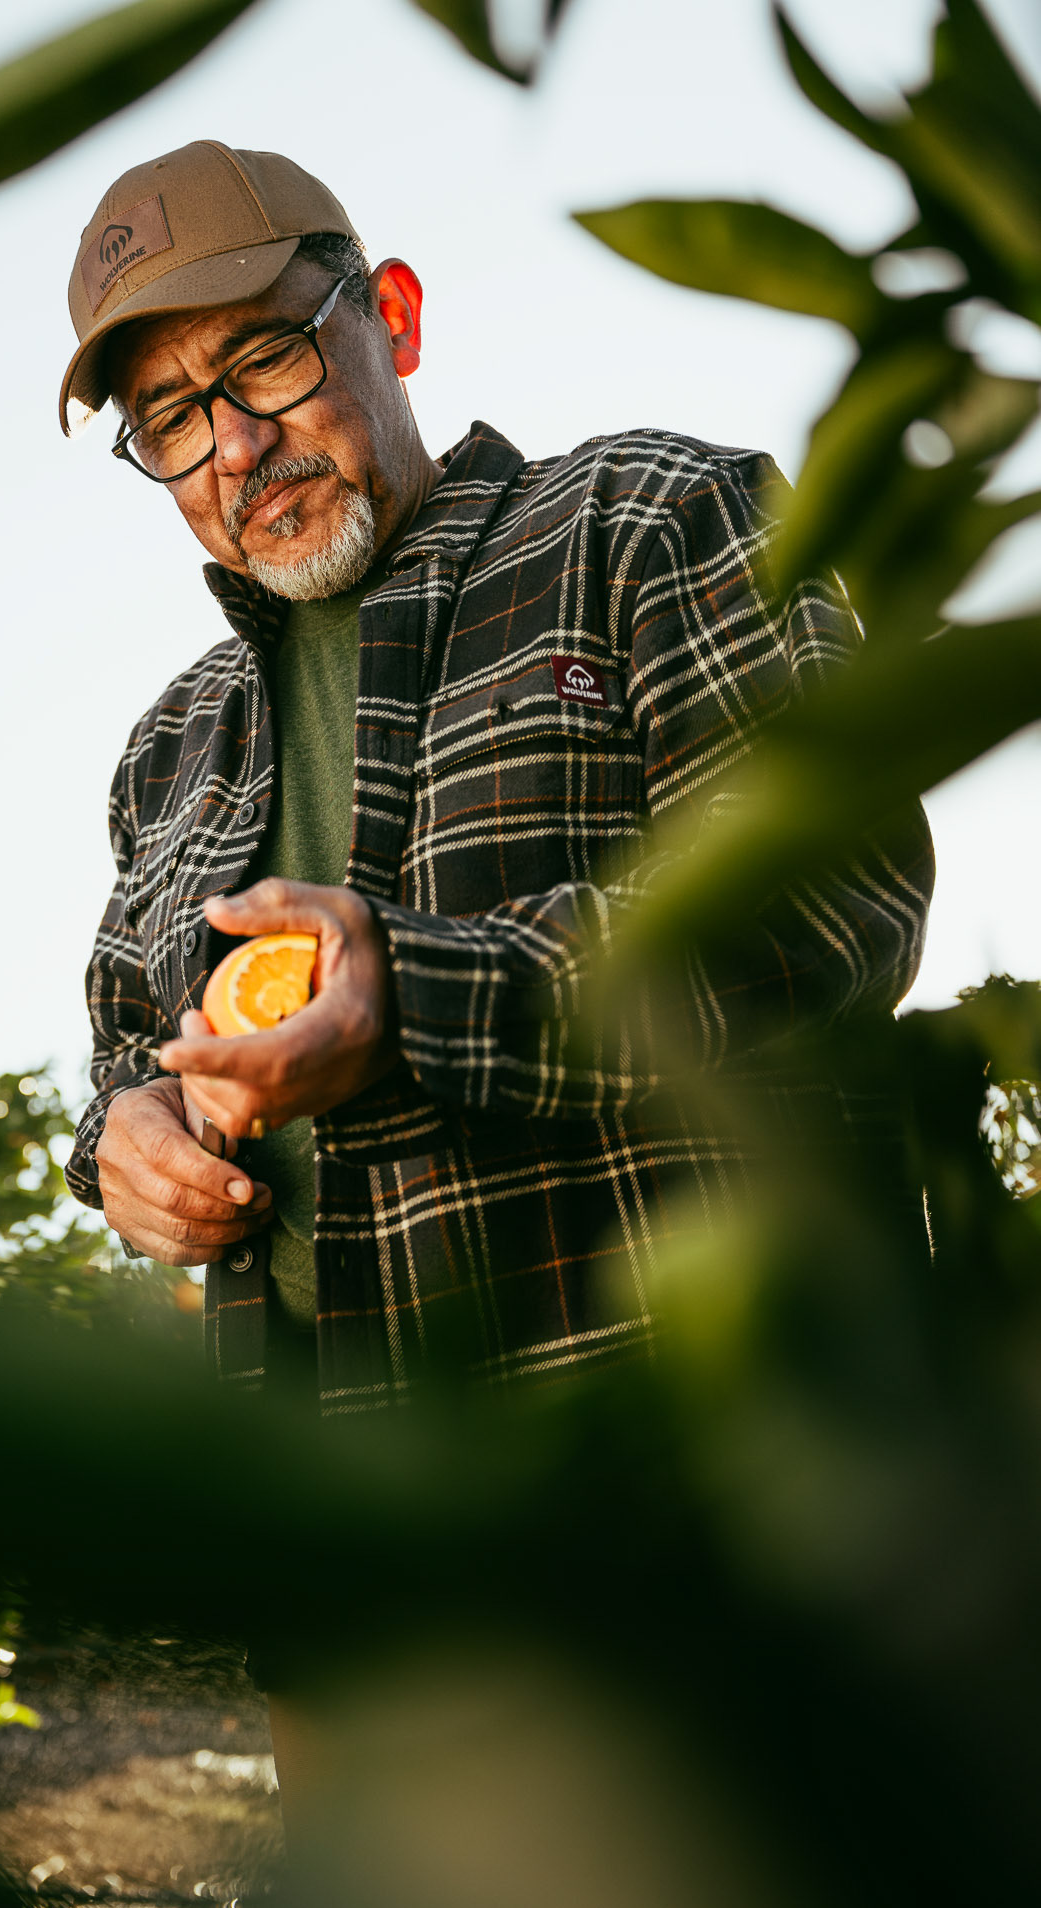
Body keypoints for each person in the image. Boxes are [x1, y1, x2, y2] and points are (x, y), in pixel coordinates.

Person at [60, 139, 934, 1408]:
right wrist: (122, 1145)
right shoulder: (167, 750)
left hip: (714, 1439)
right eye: (173, 419)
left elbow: (836, 895)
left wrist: (414, 999)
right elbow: (130, 1055)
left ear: (394, 317)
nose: (236, 445)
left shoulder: (651, 517)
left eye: (266, 359)